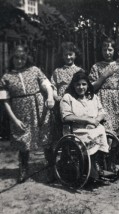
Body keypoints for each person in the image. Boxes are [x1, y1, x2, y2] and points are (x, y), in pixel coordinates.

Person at [0, 45, 54, 183]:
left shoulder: (35, 70)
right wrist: (14, 119)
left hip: (38, 108)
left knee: (45, 137)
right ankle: (23, 169)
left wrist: (49, 97)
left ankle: (51, 168)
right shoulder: (6, 77)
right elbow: (5, 101)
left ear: (26, 58)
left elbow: (47, 85)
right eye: (17, 58)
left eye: (22, 58)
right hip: (20, 113)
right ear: (12, 59)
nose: (19, 61)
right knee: (23, 141)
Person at [60, 71, 110, 184]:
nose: (81, 87)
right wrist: (87, 119)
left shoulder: (93, 97)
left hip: (93, 127)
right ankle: (92, 170)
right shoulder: (68, 97)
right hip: (76, 130)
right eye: (78, 84)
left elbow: (102, 112)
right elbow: (66, 117)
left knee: (101, 131)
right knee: (92, 135)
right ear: (73, 85)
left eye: (84, 84)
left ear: (88, 85)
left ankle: (99, 164)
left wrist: (96, 120)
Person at [89, 37, 119, 136]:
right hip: (102, 100)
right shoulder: (96, 66)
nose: (107, 52)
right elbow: (91, 87)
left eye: (110, 50)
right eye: (104, 50)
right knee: (105, 128)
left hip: (117, 100)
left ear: (114, 51)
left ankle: (114, 150)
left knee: (116, 129)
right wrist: (104, 76)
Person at [51, 42, 83, 140]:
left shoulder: (80, 71)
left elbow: (84, 87)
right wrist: (56, 96)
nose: (68, 57)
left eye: (71, 54)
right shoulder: (57, 71)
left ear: (75, 55)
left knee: (76, 128)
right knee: (63, 129)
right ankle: (65, 150)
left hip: (76, 103)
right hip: (61, 104)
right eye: (66, 55)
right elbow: (53, 86)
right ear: (62, 56)